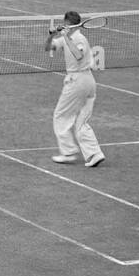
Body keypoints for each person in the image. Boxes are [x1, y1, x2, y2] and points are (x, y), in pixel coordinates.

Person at [44, 11, 105, 168]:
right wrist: (51, 34)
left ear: (68, 23)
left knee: (60, 116)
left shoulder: (78, 38)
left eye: (64, 23)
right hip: (87, 83)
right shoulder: (68, 37)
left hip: (78, 82)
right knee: (81, 122)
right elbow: (48, 47)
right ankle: (95, 154)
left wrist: (65, 36)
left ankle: (69, 152)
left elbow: (78, 55)